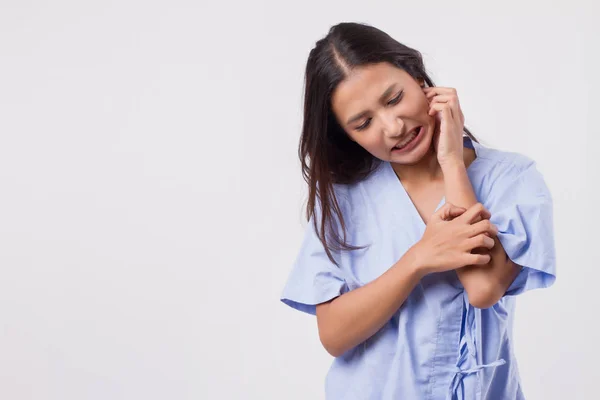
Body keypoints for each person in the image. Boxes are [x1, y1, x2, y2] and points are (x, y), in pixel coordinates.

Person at [280, 22, 556, 400]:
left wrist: (452, 162)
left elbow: (483, 288)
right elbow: (334, 335)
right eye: (363, 123)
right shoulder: (345, 198)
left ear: (416, 76)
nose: (392, 127)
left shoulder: (512, 179)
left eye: (394, 99)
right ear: (347, 135)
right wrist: (417, 261)